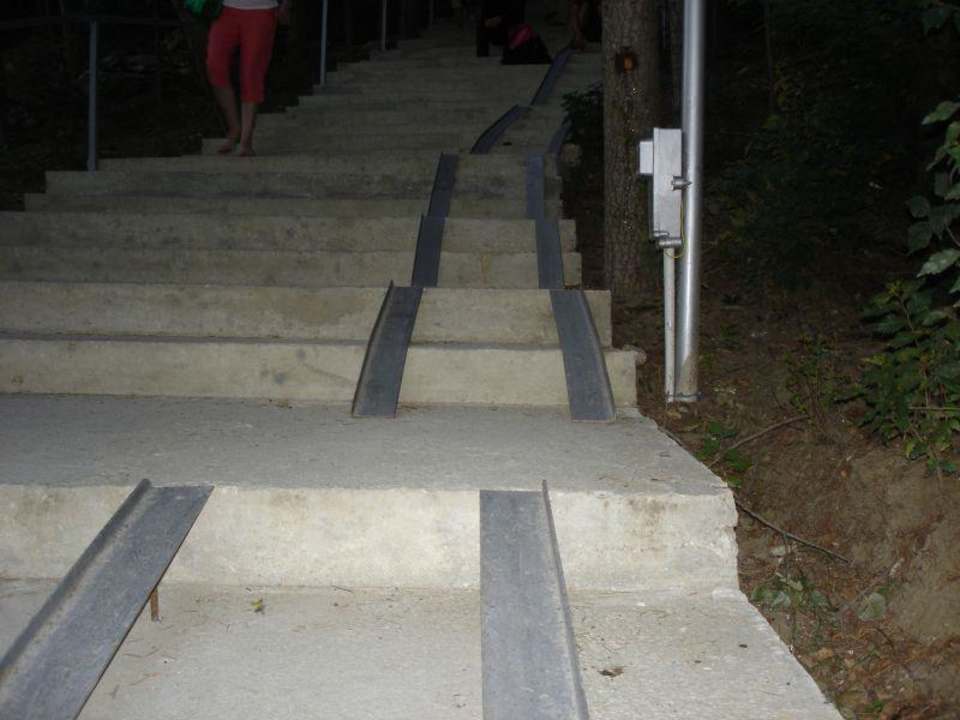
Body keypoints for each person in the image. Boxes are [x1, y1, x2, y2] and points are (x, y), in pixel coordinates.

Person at [206, 0, 291, 156]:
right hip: (226, 10)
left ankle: (246, 141)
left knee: (251, 73)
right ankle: (234, 128)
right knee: (215, 65)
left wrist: (286, 4)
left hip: (262, 11)